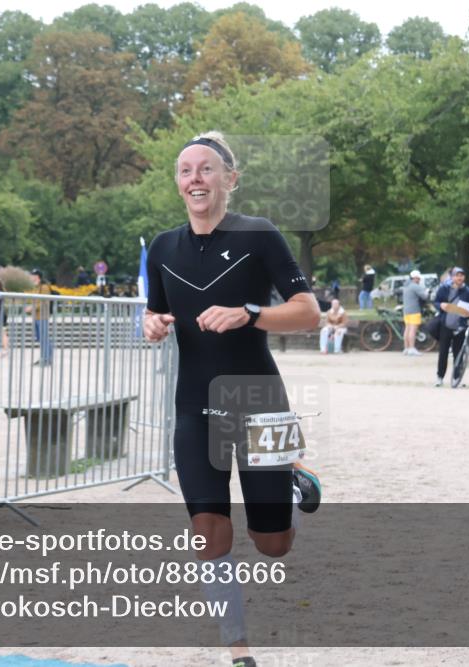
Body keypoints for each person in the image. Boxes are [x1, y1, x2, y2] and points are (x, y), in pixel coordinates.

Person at [144, 131, 322, 667]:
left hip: (258, 396)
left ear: (230, 179)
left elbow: (309, 313)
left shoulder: (259, 235)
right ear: (178, 183)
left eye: (206, 169)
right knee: (207, 530)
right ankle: (237, 646)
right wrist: (150, 323)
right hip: (194, 404)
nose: (194, 178)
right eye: (185, 170)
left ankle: (290, 475)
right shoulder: (162, 247)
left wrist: (251, 312)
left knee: (273, 545)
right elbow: (155, 311)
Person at [433, 267, 469, 386]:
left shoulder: (467, 291)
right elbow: (435, 302)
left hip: (460, 326)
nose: (459, 278)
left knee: (458, 354)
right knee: (443, 352)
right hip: (446, 325)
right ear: (452, 277)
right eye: (457, 275)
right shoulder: (444, 289)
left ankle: (457, 377)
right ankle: (440, 377)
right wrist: (441, 305)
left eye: (461, 275)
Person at [28, 269, 54, 366]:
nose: (31, 277)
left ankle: (46, 358)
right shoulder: (36, 287)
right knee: (40, 337)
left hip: (42, 315)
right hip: (36, 316)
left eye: (33, 275)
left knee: (44, 337)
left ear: (37, 277)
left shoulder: (44, 287)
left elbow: (44, 301)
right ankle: (45, 357)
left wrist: (32, 307)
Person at [402, 270, 428, 356]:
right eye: (419, 278)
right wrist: (427, 291)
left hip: (406, 310)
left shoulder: (406, 286)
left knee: (407, 329)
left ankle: (406, 348)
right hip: (414, 310)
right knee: (413, 330)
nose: (419, 280)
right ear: (415, 278)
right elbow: (424, 296)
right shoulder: (415, 286)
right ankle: (412, 348)